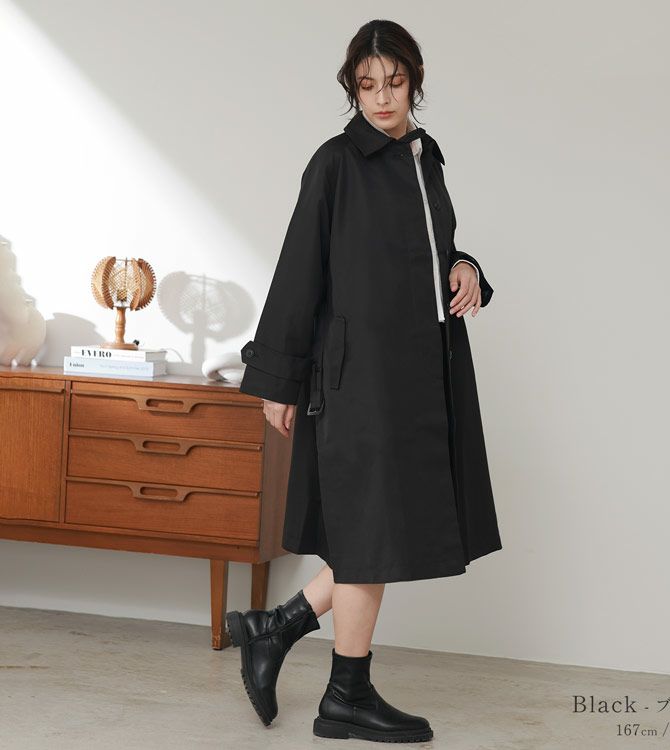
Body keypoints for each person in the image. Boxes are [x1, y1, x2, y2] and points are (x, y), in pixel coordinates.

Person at [226, 18, 502, 744]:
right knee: (371, 534)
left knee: (378, 532)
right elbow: (298, 270)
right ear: (352, 87)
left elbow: (433, 249)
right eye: (367, 84)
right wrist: (279, 379)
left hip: (418, 375)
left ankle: (278, 631)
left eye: (395, 82)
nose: (381, 97)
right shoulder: (335, 163)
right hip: (357, 381)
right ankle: (344, 693)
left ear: (415, 82)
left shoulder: (425, 157)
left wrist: (466, 267)